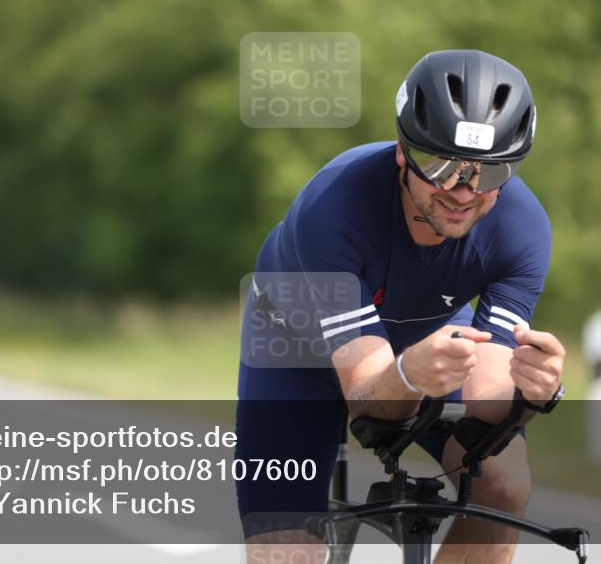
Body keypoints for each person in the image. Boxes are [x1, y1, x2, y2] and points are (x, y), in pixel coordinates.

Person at [235, 49, 567, 564]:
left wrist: (534, 389)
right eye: (440, 165)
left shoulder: (523, 230)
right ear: (402, 153)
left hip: (420, 335)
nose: (462, 190)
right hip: (293, 345)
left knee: (504, 480)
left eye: (490, 172)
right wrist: (409, 376)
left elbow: (486, 402)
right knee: (286, 553)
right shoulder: (333, 207)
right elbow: (369, 397)